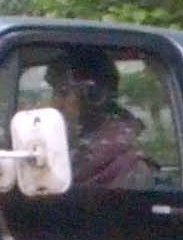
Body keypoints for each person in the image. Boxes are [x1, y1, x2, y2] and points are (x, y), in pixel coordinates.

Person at [46, 47, 153, 190]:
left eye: (63, 93)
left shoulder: (129, 166)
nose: (55, 105)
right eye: (55, 94)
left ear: (93, 96)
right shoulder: (69, 147)